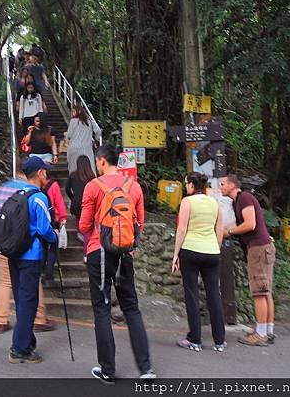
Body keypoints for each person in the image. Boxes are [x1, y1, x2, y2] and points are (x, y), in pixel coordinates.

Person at [79, 144, 156, 383]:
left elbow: (82, 226)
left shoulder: (93, 186)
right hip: (125, 254)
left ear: (102, 161)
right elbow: (140, 223)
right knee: (131, 308)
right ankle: (146, 369)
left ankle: (107, 370)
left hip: (99, 252)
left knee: (102, 308)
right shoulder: (134, 186)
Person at [0, 167, 55, 334]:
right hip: (27, 247)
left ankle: (1, 319)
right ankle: (39, 318)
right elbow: (42, 228)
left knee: (6, 281)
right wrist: (54, 238)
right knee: (32, 287)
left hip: (5, 244)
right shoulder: (31, 193)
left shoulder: (3, 189)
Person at [8, 157, 58, 364]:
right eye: (45, 171)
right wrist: (55, 236)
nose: (47, 174)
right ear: (39, 173)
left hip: (14, 254)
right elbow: (45, 229)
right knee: (29, 303)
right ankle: (18, 348)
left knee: (22, 301)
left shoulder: (17, 194)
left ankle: (27, 344)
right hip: (31, 256)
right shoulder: (39, 198)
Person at [172, 172, 226, 352]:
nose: (186, 186)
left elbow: (181, 229)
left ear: (191, 185)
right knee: (214, 294)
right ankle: (219, 341)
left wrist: (175, 254)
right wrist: (215, 248)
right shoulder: (215, 202)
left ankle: (195, 339)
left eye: (186, 183)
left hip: (191, 250)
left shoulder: (187, 202)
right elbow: (219, 228)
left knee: (192, 294)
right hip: (212, 252)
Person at [220, 174, 276, 347]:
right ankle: (267, 330)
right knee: (265, 291)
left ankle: (260, 335)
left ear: (232, 185)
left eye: (223, 184)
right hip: (261, 247)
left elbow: (250, 224)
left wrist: (228, 232)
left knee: (259, 291)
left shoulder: (244, 197)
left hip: (258, 248)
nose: (220, 187)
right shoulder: (238, 201)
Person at [65, 155, 95, 257]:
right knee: (88, 229)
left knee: (80, 220)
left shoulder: (73, 175)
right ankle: (86, 253)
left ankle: (80, 233)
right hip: (88, 204)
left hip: (76, 204)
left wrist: (73, 197)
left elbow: (67, 189)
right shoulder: (92, 176)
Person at [66, 104, 101, 174]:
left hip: (74, 148)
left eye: (73, 112)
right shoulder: (90, 121)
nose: (72, 114)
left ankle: (74, 183)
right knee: (90, 168)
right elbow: (98, 131)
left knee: (73, 169)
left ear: (78, 111)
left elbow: (69, 135)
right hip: (87, 149)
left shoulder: (73, 121)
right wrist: (95, 140)